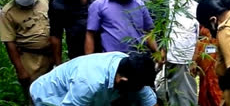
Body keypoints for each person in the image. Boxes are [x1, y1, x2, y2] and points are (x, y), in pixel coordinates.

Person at [29, 52, 158, 106]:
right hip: (48, 96)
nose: (140, 90)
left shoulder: (130, 67)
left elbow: (149, 100)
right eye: (137, 87)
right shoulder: (89, 83)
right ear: (122, 81)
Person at [85, 0, 159, 55]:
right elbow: (90, 34)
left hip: (138, 57)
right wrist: (88, 60)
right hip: (112, 60)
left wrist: (157, 52)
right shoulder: (99, 5)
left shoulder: (140, 5)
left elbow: (148, 32)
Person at [0, 0, 53, 95]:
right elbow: (9, 43)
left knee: (54, 89)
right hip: (31, 59)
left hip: (52, 54)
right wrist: (20, 71)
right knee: (35, 93)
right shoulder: (7, 13)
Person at [49, 0, 105, 65]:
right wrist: (58, 63)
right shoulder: (57, 3)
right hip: (77, 51)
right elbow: (56, 35)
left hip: (102, 47)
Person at [164, 0, 199, 106]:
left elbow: (200, 36)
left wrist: (194, 59)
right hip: (170, 56)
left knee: (186, 93)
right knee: (171, 92)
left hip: (185, 59)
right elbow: (165, 30)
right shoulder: (170, 6)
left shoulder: (195, 8)